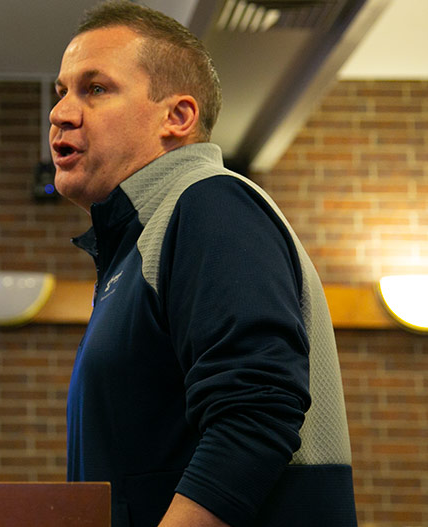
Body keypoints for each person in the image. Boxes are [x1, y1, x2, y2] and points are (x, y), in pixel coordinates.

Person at [49, 2, 357, 526]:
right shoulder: (143, 237)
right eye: (62, 92)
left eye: (95, 89)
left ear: (178, 117)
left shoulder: (209, 204)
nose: (61, 113)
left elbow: (256, 412)